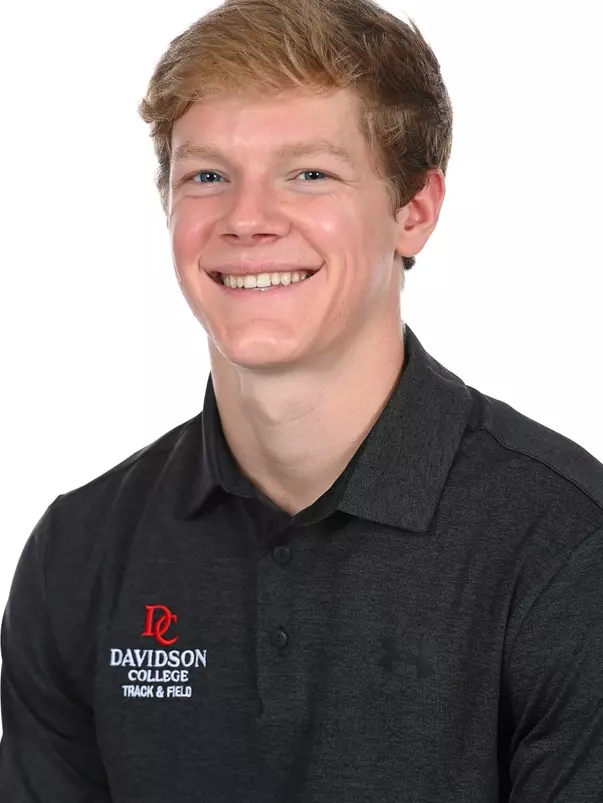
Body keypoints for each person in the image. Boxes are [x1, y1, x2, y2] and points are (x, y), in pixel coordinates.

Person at [1, 0, 602, 800]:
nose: (247, 219)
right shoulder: (77, 552)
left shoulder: (563, 547)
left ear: (413, 212)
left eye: (309, 173)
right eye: (207, 175)